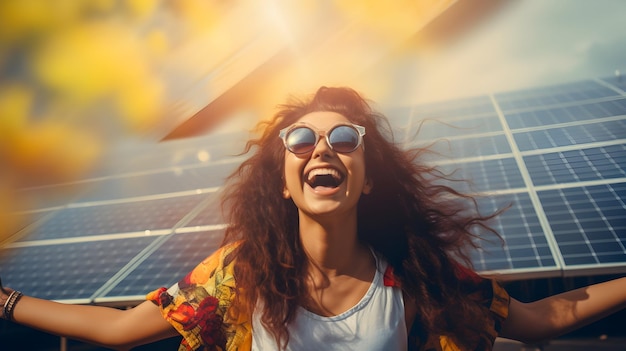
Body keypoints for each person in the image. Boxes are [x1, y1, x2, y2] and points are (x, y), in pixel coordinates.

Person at [1, 86, 625, 351]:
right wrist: (4, 302)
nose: (321, 149)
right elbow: (117, 332)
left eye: (344, 139)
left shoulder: (413, 279)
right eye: (299, 140)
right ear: (282, 180)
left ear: (369, 176)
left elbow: (542, 320)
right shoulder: (239, 276)